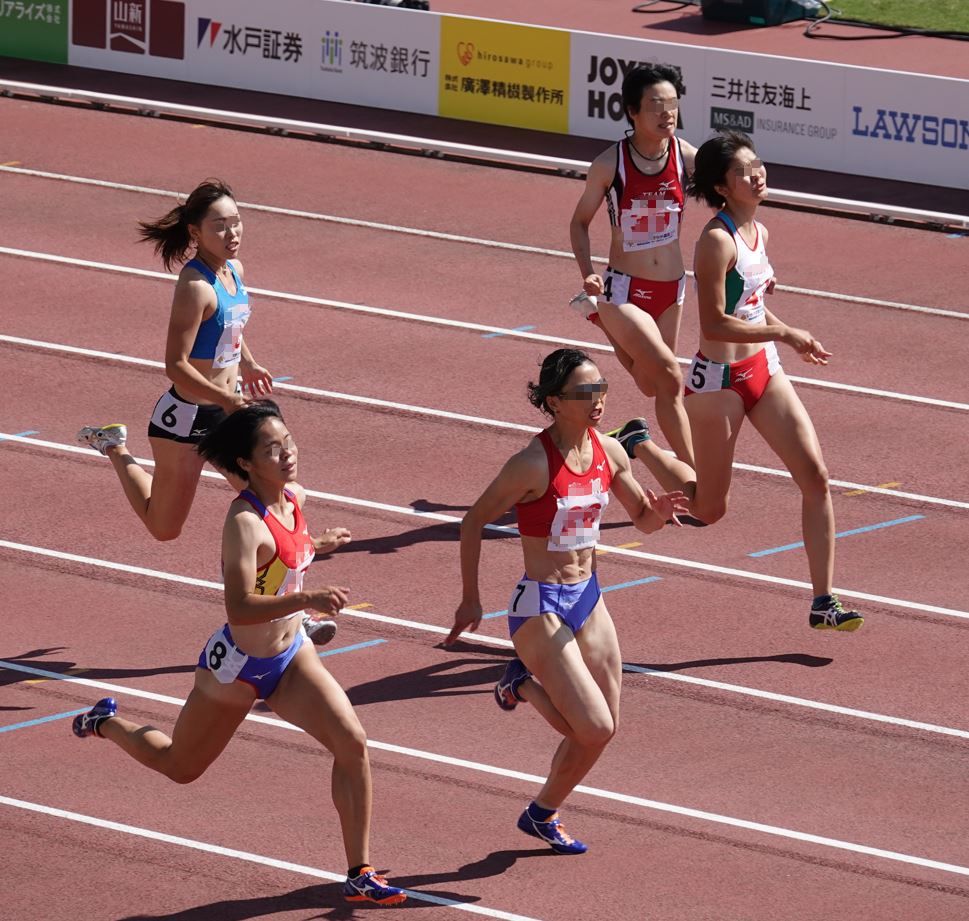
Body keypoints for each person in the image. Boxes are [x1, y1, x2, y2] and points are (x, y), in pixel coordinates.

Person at [72, 401, 406, 906]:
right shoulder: (243, 523)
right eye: (272, 449)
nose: (287, 454)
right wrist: (308, 599)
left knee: (352, 743)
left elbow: (289, 555)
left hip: (290, 656)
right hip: (237, 669)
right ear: (247, 463)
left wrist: (318, 544)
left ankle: (359, 871)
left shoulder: (294, 497)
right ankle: (105, 722)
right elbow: (241, 606)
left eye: (287, 441)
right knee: (180, 767)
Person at [446, 349, 688, 854]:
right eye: (584, 392)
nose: (597, 399)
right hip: (541, 605)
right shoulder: (531, 463)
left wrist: (659, 511)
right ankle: (522, 684)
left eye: (601, 387)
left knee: (603, 730)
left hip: (588, 596)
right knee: (592, 724)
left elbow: (641, 519)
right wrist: (471, 599)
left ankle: (542, 813)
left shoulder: (611, 451)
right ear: (555, 402)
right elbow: (472, 522)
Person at [617, 132, 862, 631]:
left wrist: (782, 336)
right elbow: (714, 324)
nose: (757, 175)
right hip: (718, 384)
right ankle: (639, 443)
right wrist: (788, 332)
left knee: (815, 477)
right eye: (744, 171)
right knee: (708, 509)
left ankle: (824, 601)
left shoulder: (760, 233)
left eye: (758, 166)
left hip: (763, 369)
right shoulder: (715, 241)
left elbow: (749, 305)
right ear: (722, 187)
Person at [569, 64, 698, 468]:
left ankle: (601, 321)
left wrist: (754, 248)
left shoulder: (687, 156)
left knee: (649, 383)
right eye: (656, 105)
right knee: (670, 381)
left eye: (673, 104)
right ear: (632, 112)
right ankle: (696, 474)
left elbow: (733, 190)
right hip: (627, 287)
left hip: (671, 287)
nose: (667, 114)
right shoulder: (610, 164)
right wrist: (587, 270)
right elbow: (579, 223)